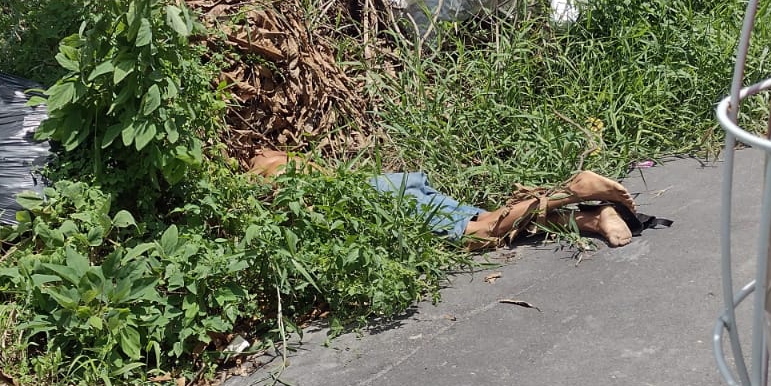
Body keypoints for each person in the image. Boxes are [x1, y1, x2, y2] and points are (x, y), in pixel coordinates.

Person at [246, 150, 639, 250]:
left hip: (380, 198)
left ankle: (573, 190)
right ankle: (592, 218)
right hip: (389, 186)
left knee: (481, 234)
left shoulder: (268, 180)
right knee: (494, 219)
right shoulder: (274, 160)